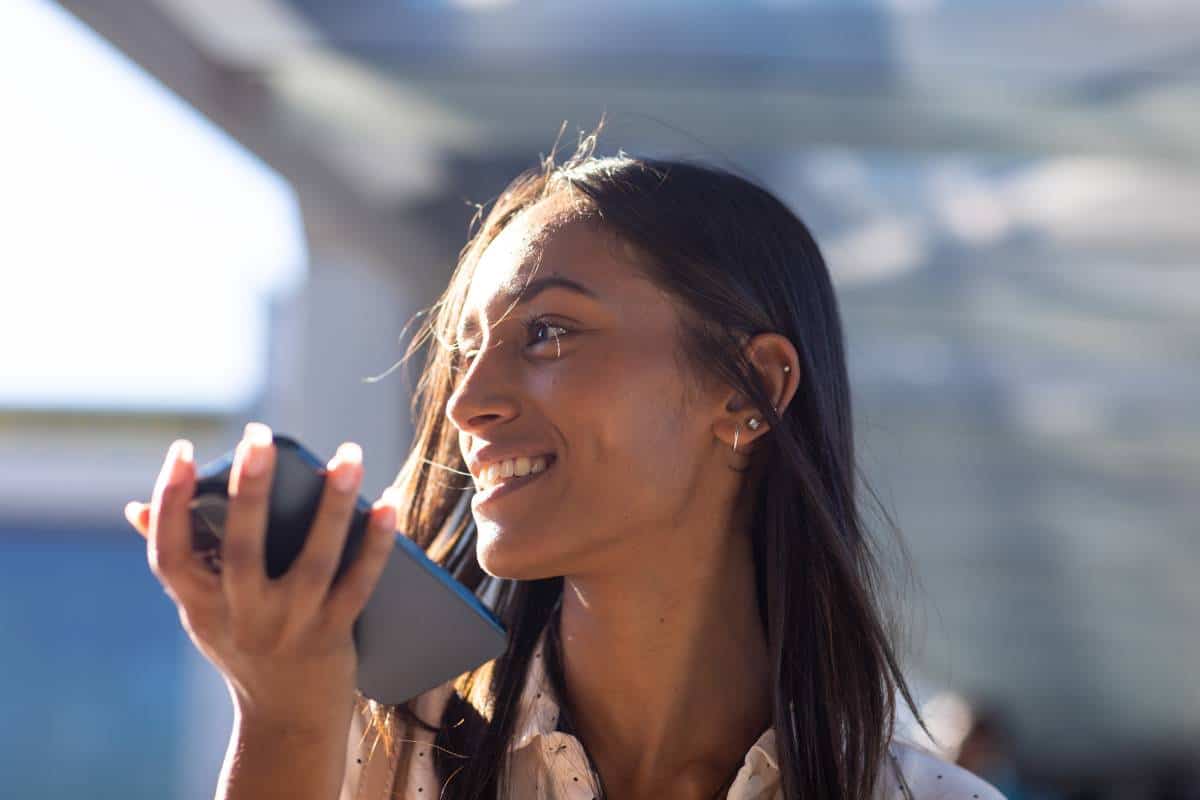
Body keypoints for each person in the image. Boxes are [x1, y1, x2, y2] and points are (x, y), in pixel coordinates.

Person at [124, 124, 1006, 799]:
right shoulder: (366, 758)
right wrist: (278, 718)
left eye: (549, 332)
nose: (469, 405)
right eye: (464, 352)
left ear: (752, 391)